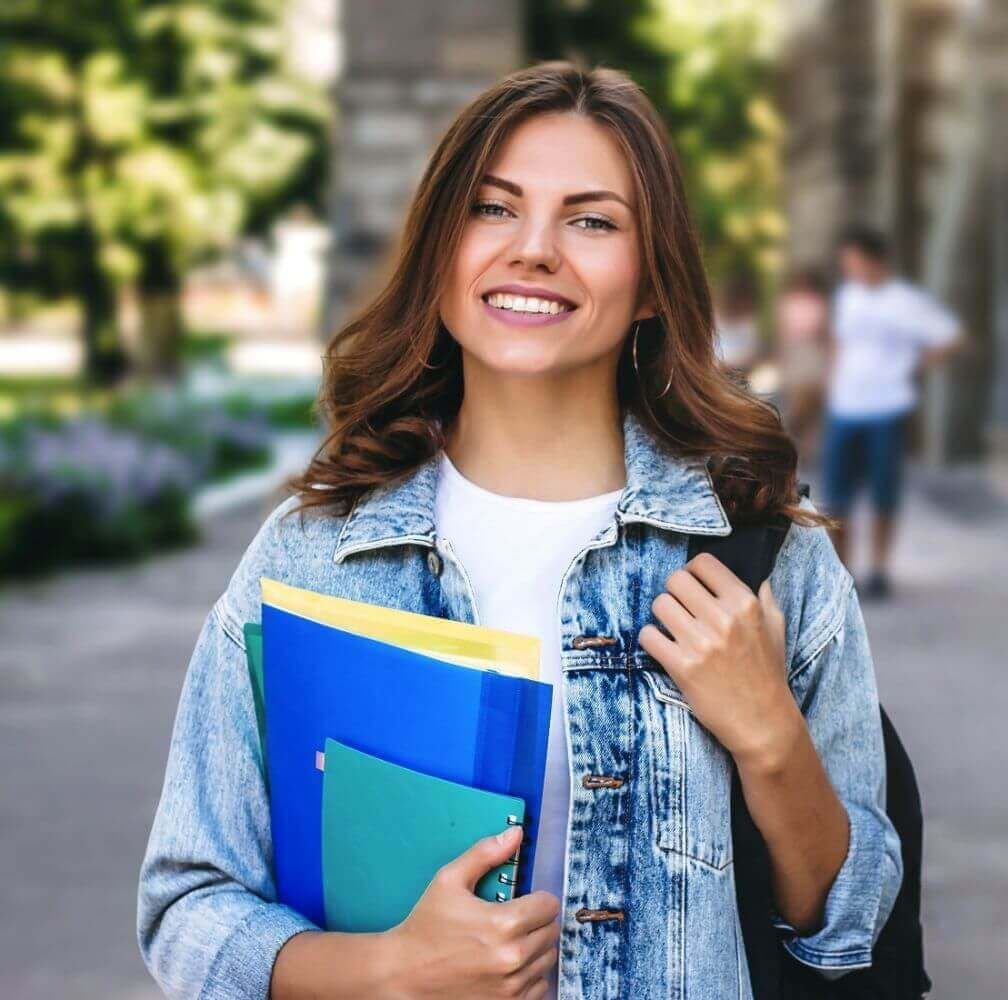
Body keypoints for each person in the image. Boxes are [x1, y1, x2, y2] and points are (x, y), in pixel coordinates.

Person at [136, 63, 901, 1000]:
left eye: (592, 220)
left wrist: (772, 742)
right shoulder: (315, 555)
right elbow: (188, 907)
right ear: (441, 253)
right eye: (493, 209)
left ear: (653, 282)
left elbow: (850, 926)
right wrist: (387, 970)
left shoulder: (768, 565)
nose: (534, 250)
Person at [822, 226, 967, 601]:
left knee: (883, 494)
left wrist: (913, 367)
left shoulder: (905, 300)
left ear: (874, 260)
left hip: (886, 407)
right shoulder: (848, 296)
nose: (848, 268)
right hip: (845, 407)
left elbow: (952, 337)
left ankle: (880, 569)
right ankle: (842, 571)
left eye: (853, 260)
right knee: (836, 495)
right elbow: (839, 341)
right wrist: (832, 380)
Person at [775, 267, 832, 461]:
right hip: (796, 354)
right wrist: (783, 359)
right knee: (798, 403)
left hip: (814, 354)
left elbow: (825, 333)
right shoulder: (787, 304)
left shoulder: (820, 304)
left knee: (814, 402)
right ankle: (787, 440)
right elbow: (783, 333)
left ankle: (807, 449)